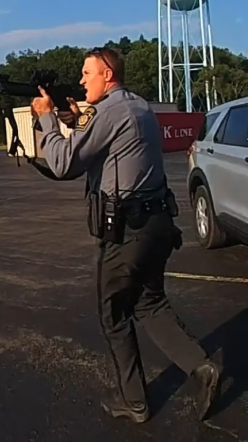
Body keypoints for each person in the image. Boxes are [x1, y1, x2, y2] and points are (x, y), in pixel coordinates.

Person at [30, 47, 221, 424]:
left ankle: (134, 402)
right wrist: (76, 118)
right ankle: (201, 368)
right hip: (157, 225)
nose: (82, 80)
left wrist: (48, 119)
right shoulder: (137, 106)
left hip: (126, 234)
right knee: (149, 303)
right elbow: (107, 143)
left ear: (107, 75)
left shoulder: (109, 111)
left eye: (88, 73)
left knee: (113, 314)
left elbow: (65, 162)